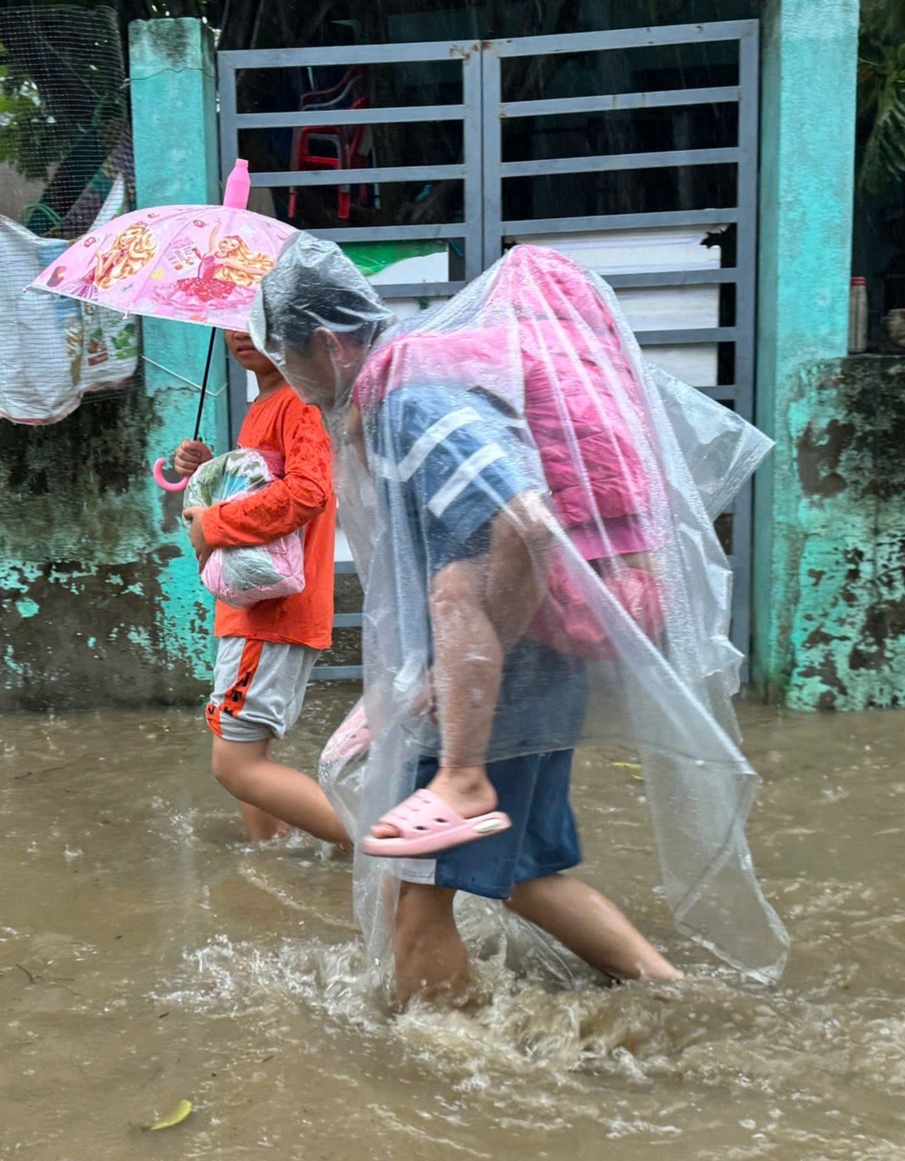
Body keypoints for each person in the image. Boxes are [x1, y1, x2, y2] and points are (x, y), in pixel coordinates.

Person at [251, 238, 685, 1003]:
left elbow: (524, 524)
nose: (290, 380)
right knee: (523, 873)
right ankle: (676, 993)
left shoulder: (408, 399)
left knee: (416, 886)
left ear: (325, 341)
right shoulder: (406, 384)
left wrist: (472, 684)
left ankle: (428, 1074)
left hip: (503, 681)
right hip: (536, 666)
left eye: (286, 360)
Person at [173, 328, 351, 848]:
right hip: (252, 609)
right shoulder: (265, 405)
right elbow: (264, 485)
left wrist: (213, 522)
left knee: (236, 764)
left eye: (256, 319)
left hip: (272, 614)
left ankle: (394, 857)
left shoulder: (299, 402)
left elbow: (307, 492)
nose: (238, 332)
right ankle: (270, 859)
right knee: (239, 747)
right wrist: (211, 469)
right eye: (231, 317)